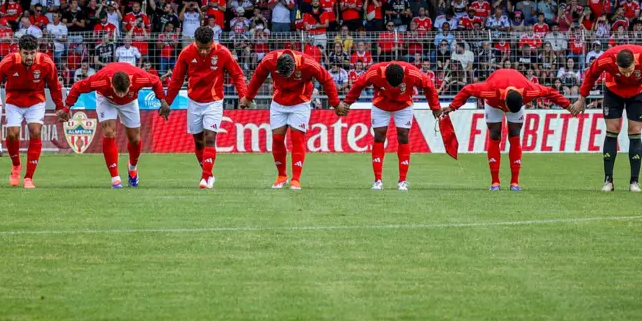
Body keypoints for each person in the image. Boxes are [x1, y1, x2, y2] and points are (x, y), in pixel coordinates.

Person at [569, 45, 642, 192]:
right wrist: (582, 98)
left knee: (635, 132)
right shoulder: (607, 59)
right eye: (623, 72)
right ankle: (608, 181)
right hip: (613, 92)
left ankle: (634, 182)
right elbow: (592, 73)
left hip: (638, 93)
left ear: (635, 63)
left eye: (630, 71)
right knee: (612, 130)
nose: (627, 75)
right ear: (616, 64)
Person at [443, 68, 574, 191]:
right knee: (495, 135)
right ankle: (495, 182)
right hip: (494, 103)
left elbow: (551, 92)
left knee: (515, 136)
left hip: (515, 94)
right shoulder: (490, 90)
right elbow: (467, 90)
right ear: (505, 102)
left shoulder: (529, 90)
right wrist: (452, 107)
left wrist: (568, 106)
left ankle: (515, 183)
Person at [161, 26, 248, 189]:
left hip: (214, 102)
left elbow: (237, 74)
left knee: (209, 138)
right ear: (195, 43)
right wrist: (167, 102)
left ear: (212, 43)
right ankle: (209, 174)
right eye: (200, 48)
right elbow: (177, 79)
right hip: (194, 101)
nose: (203, 52)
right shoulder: (186, 53)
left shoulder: (223, 53)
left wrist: (243, 95)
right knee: (199, 142)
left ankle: (205, 177)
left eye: (207, 49)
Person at [240, 49, 340, 190]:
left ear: (294, 66)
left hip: (300, 102)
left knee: (297, 137)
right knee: (277, 139)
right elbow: (258, 77)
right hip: (278, 102)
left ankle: (296, 179)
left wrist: (335, 104)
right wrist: (248, 97)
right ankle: (282, 176)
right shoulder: (269, 60)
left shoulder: (308, 63)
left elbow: (326, 79)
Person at [0, 34, 68, 189]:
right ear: (19, 51)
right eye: (26, 53)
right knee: (12, 133)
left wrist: (60, 107)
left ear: (37, 51)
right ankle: (16, 166)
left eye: (32, 52)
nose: (29, 56)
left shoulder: (46, 63)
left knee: (35, 131)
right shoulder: (8, 62)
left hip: (36, 99)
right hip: (14, 99)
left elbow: (55, 86)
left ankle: (29, 177)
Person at [336, 61, 440, 191]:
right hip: (381, 104)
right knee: (379, 136)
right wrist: (347, 103)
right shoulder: (375, 72)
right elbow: (358, 84)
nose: (395, 87)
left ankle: (402, 181)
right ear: (385, 77)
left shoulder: (412, 72)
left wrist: (435, 107)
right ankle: (378, 180)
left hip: (404, 105)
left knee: (403, 136)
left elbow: (429, 85)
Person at [65, 62, 168, 188]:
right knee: (108, 132)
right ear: (111, 85)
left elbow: (156, 81)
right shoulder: (100, 80)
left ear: (130, 84)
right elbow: (77, 87)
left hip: (129, 103)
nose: (120, 95)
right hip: (106, 100)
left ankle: (132, 168)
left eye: (123, 92)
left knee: (135, 139)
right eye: (117, 92)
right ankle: (115, 178)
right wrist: (67, 107)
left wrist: (163, 101)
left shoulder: (139, 77)